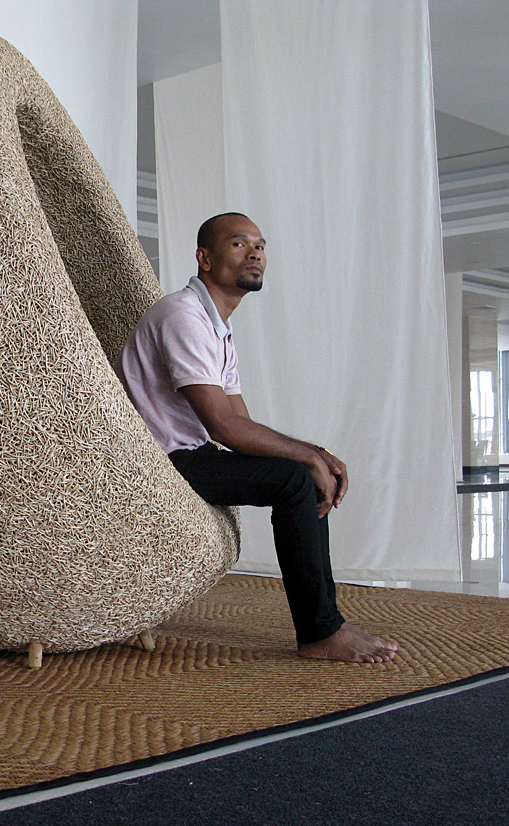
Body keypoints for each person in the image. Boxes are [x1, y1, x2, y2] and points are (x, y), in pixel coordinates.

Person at [116, 212, 398, 663]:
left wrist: (314, 457)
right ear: (205, 258)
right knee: (295, 480)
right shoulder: (183, 316)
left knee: (301, 475)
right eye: (239, 243)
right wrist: (309, 458)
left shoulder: (217, 326)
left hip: (190, 454)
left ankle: (328, 624)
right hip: (157, 462)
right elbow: (223, 427)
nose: (255, 254)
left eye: (260, 246)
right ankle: (320, 632)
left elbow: (238, 424)